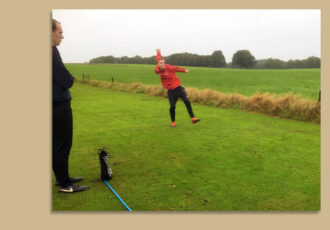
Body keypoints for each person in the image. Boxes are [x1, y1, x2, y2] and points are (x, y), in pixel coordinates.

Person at [52, 19, 89, 193]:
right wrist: (70, 78)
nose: (62, 36)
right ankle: (66, 185)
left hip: (56, 104)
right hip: (58, 106)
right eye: (60, 32)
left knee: (58, 144)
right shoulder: (50, 52)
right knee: (62, 144)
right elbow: (66, 80)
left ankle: (62, 178)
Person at [154, 49, 200, 127]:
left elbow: (176, 68)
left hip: (178, 88)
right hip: (171, 91)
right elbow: (158, 58)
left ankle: (193, 118)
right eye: (161, 63)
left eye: (163, 63)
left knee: (186, 101)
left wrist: (184, 70)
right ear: (157, 64)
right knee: (172, 106)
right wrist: (158, 52)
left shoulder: (169, 67)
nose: (162, 64)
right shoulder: (157, 70)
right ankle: (173, 122)